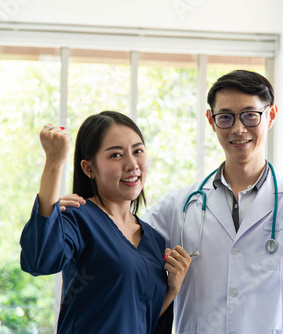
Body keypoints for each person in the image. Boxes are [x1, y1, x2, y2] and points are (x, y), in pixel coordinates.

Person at [61, 70, 283, 333]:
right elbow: (119, 246)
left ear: (270, 115)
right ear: (211, 120)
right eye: (226, 118)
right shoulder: (180, 206)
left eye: (250, 116)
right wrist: (85, 212)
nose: (239, 129)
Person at [20, 111, 191, 334]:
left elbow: (141, 321)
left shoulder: (154, 240)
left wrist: (172, 289)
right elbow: (39, 260)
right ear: (88, 168)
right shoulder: (78, 217)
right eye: (116, 155)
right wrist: (54, 163)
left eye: (137, 151)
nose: (132, 164)